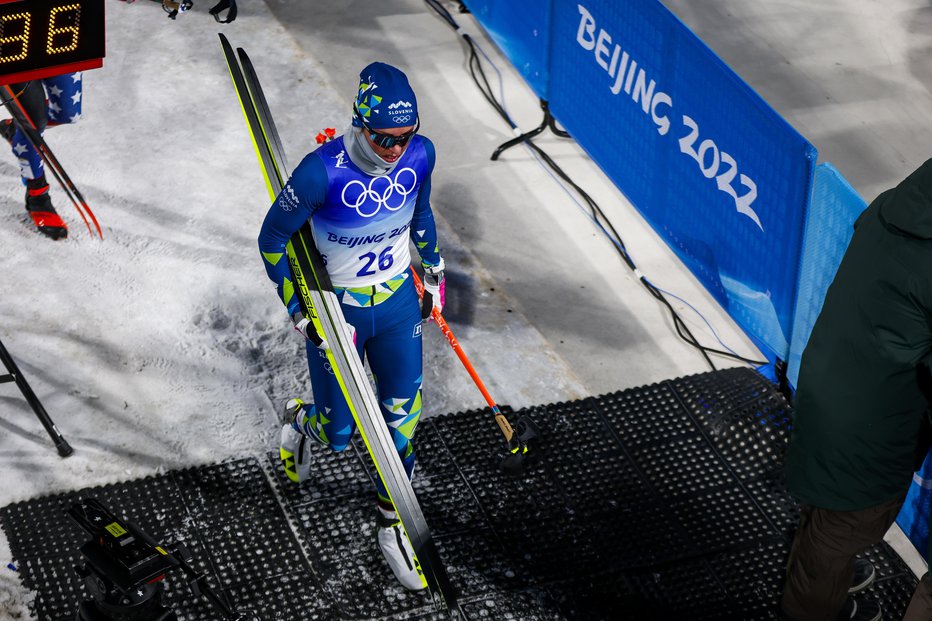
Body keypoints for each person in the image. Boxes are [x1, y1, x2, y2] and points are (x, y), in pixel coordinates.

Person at [257, 62, 444, 592]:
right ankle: (301, 422)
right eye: (384, 139)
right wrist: (299, 309)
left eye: (403, 138)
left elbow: (422, 215)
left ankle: (393, 528)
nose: (395, 150)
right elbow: (271, 241)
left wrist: (433, 272)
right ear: (360, 123)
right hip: (339, 316)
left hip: (397, 306)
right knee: (340, 436)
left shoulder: (421, 154)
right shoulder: (322, 172)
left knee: (402, 420)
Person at [780, 158, 932, 621]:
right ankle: (813, 603)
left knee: (825, 518)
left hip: (833, 387)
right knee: (833, 538)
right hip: (869, 430)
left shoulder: (895, 208)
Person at [1, 74, 83, 240]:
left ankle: (17, 132)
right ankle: (37, 196)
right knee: (32, 125)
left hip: (54, 51)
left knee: (68, 114)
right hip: (13, 57)